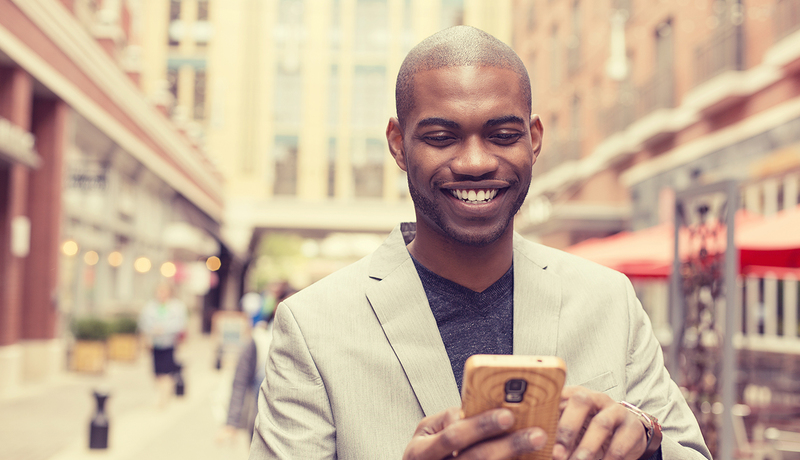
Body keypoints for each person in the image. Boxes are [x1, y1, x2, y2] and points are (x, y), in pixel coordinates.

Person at [249, 26, 712, 460]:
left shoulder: (609, 299)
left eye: (503, 136)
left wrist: (646, 443)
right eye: (441, 137)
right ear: (398, 144)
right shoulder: (312, 327)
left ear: (533, 140)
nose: (474, 162)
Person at [219, 283, 297, 443]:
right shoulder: (260, 339)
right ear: (277, 306)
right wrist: (231, 423)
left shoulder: (311, 344)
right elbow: (240, 381)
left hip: (295, 429)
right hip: (259, 424)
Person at [138, 282, 187, 408]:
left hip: (169, 343)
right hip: (154, 344)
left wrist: (163, 329)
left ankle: (164, 397)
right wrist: (151, 331)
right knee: (156, 372)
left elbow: (180, 324)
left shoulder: (176, 307)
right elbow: (143, 322)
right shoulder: (150, 307)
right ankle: (161, 393)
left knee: (167, 371)